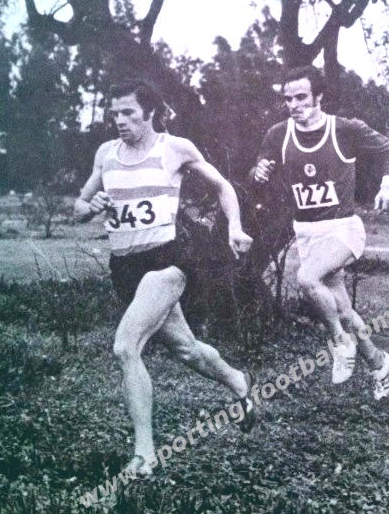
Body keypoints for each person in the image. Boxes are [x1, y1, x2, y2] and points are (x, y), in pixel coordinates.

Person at [74, 79, 256, 476]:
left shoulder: (174, 148)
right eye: (115, 114)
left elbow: (223, 186)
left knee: (126, 347)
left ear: (151, 112)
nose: (120, 121)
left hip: (166, 262)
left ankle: (144, 454)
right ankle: (240, 382)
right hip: (124, 267)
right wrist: (91, 205)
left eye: (129, 113)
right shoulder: (106, 154)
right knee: (186, 349)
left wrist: (235, 227)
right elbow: (79, 206)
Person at [252, 66, 389, 400]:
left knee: (307, 279)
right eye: (288, 99)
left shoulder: (344, 129)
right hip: (307, 232)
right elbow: (259, 171)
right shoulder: (278, 134)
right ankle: (379, 363)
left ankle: (340, 343)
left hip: (343, 228)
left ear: (318, 96)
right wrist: (258, 171)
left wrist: (387, 187)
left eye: (301, 97)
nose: (294, 105)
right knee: (344, 311)